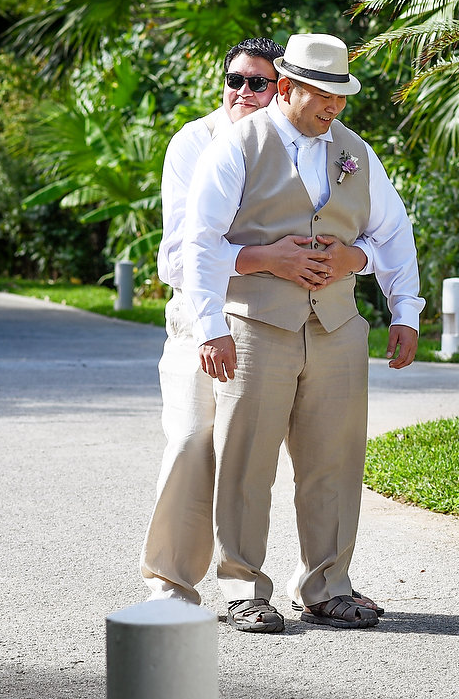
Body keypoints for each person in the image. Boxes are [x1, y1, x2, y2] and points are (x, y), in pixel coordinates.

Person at [183, 32, 424, 632]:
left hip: (338, 326)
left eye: (341, 96)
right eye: (323, 94)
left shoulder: (355, 151)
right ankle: (242, 587)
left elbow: (391, 231)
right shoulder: (237, 144)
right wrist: (211, 327)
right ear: (286, 89)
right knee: (248, 460)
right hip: (258, 324)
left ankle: (327, 585)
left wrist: (399, 305)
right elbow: (202, 241)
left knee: (335, 461)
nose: (334, 107)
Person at [141, 37, 372, 607]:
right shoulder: (196, 143)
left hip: (283, 321)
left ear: (281, 89)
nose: (245, 91)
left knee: (310, 450)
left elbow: (368, 225)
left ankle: (318, 585)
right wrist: (270, 258)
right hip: (202, 318)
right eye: (235, 80)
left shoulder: (322, 145)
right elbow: (177, 257)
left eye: (258, 82)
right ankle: (171, 581)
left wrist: (347, 261)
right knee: (196, 440)